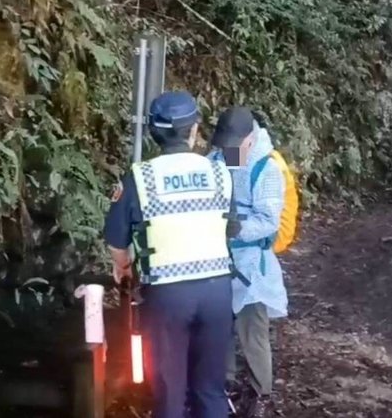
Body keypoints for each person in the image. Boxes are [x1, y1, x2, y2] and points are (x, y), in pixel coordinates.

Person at [103, 91, 235, 418]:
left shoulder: (140, 177)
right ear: (193, 130)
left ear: (153, 133)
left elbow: (117, 239)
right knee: (210, 389)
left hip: (167, 295)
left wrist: (125, 267)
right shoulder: (219, 172)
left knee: (169, 392)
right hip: (218, 291)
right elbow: (231, 229)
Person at [209, 106, 287, 417]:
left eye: (234, 145)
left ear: (251, 140)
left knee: (252, 330)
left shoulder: (265, 168)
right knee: (219, 324)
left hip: (251, 263)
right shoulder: (220, 158)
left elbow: (269, 219)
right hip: (216, 258)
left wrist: (238, 230)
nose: (228, 151)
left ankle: (260, 392)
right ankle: (223, 384)